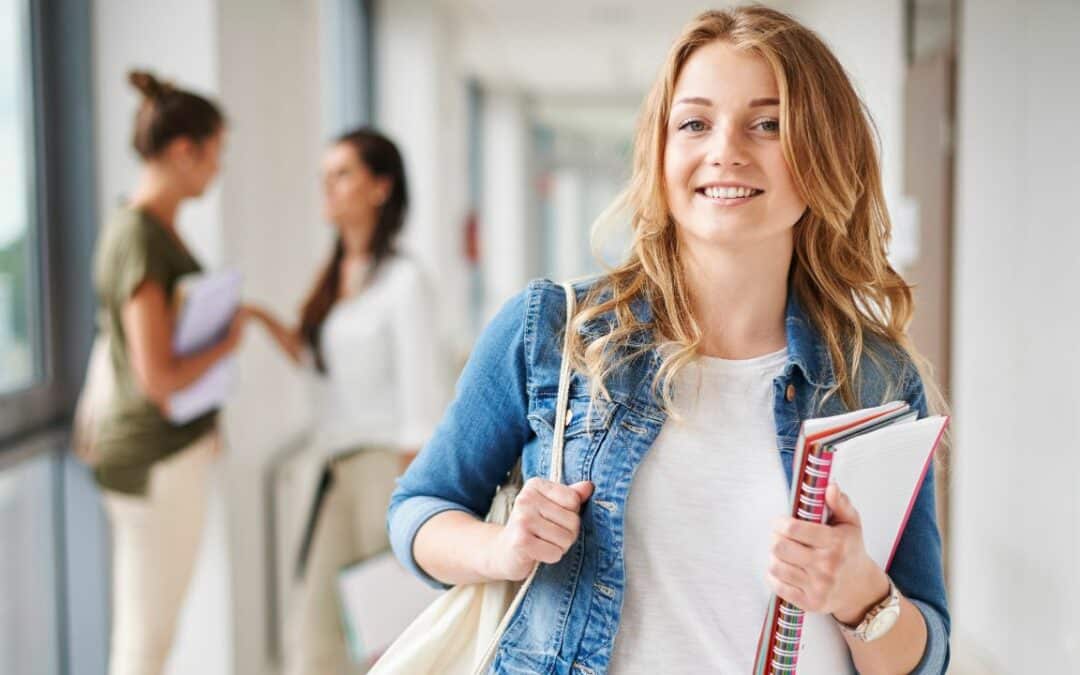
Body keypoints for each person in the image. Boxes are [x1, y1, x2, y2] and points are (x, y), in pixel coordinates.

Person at [388, 6, 949, 674]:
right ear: (660, 150)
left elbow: (925, 654)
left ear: (824, 151)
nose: (726, 149)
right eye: (695, 123)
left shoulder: (875, 376)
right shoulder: (552, 332)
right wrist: (500, 547)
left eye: (768, 123)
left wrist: (862, 594)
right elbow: (418, 510)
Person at [249, 128, 447, 674]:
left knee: (387, 636)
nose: (328, 188)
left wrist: (413, 495)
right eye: (324, 177)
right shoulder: (338, 275)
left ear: (380, 188)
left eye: (342, 174)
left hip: (386, 471)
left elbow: (421, 393)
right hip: (335, 469)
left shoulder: (405, 281)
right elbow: (322, 363)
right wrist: (257, 319)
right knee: (315, 634)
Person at [91, 70, 248, 675]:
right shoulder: (141, 235)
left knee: (151, 632)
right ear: (187, 150)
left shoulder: (142, 229)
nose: (218, 169)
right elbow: (158, 376)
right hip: (155, 457)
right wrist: (226, 342)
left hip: (157, 454)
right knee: (145, 642)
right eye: (217, 154)